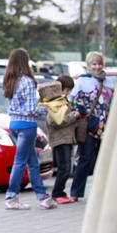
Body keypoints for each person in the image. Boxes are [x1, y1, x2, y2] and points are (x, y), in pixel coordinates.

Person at [3, 48, 57, 210]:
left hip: (14, 124)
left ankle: (42, 197)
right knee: (20, 162)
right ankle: (11, 196)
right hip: (27, 126)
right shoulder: (27, 81)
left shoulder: (10, 81)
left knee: (33, 162)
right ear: (25, 62)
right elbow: (31, 109)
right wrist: (47, 108)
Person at [68, 51, 114, 202]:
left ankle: (104, 192)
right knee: (85, 159)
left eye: (100, 64)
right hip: (88, 126)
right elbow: (73, 101)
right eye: (94, 64)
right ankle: (76, 192)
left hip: (105, 126)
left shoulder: (108, 82)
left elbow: (111, 103)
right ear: (88, 65)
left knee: (106, 161)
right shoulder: (82, 81)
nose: (97, 67)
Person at [38, 76, 80, 204]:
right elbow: (57, 121)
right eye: (67, 90)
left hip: (66, 138)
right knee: (64, 168)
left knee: (66, 167)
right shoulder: (54, 103)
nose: (68, 92)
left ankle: (60, 192)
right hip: (60, 139)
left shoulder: (61, 101)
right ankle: (57, 193)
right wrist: (73, 116)